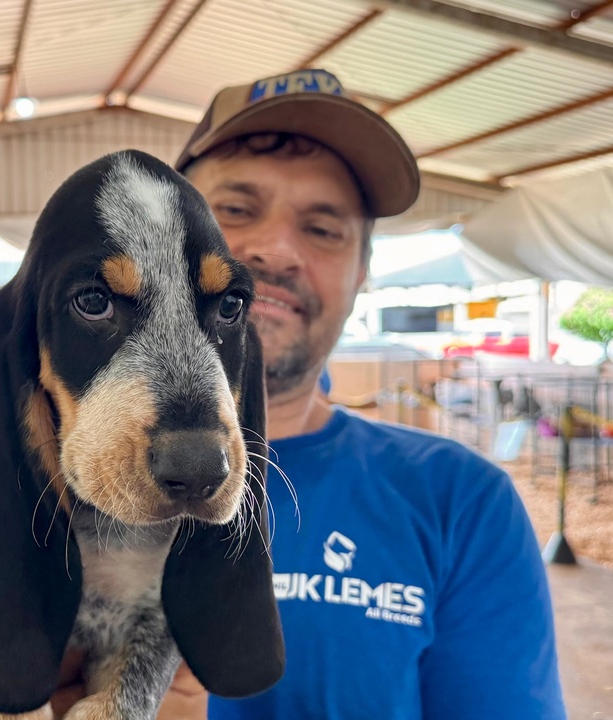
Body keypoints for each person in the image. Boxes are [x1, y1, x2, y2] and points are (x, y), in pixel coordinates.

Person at [153, 68, 567, 719]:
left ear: (360, 274)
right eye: (235, 210)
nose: (276, 250)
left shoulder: (458, 503)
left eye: (322, 228)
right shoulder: (37, 486)